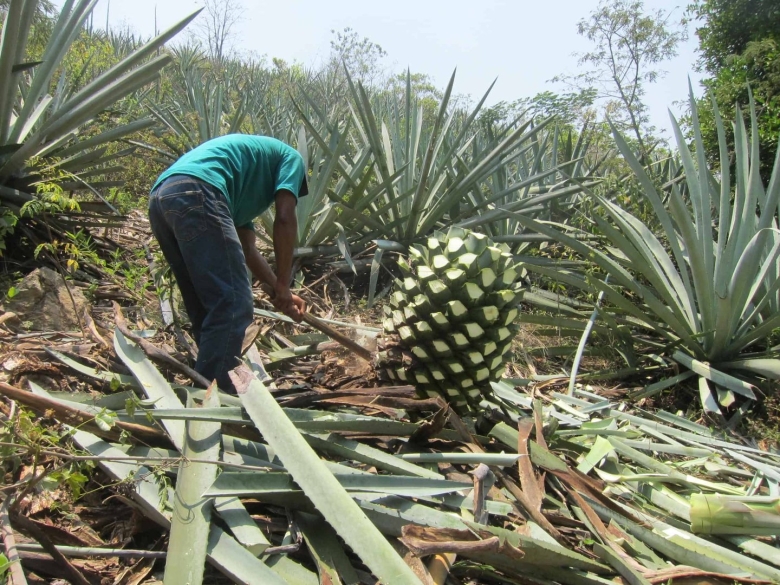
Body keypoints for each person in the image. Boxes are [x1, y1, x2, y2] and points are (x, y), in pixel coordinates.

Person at [148, 134, 307, 392]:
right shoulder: (292, 158)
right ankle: (216, 396)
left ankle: (204, 383)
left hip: (162, 196)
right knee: (232, 303)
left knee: (205, 305)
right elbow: (285, 218)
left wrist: (280, 291)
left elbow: (248, 249)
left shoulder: (240, 191)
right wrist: (284, 283)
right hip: (199, 190)